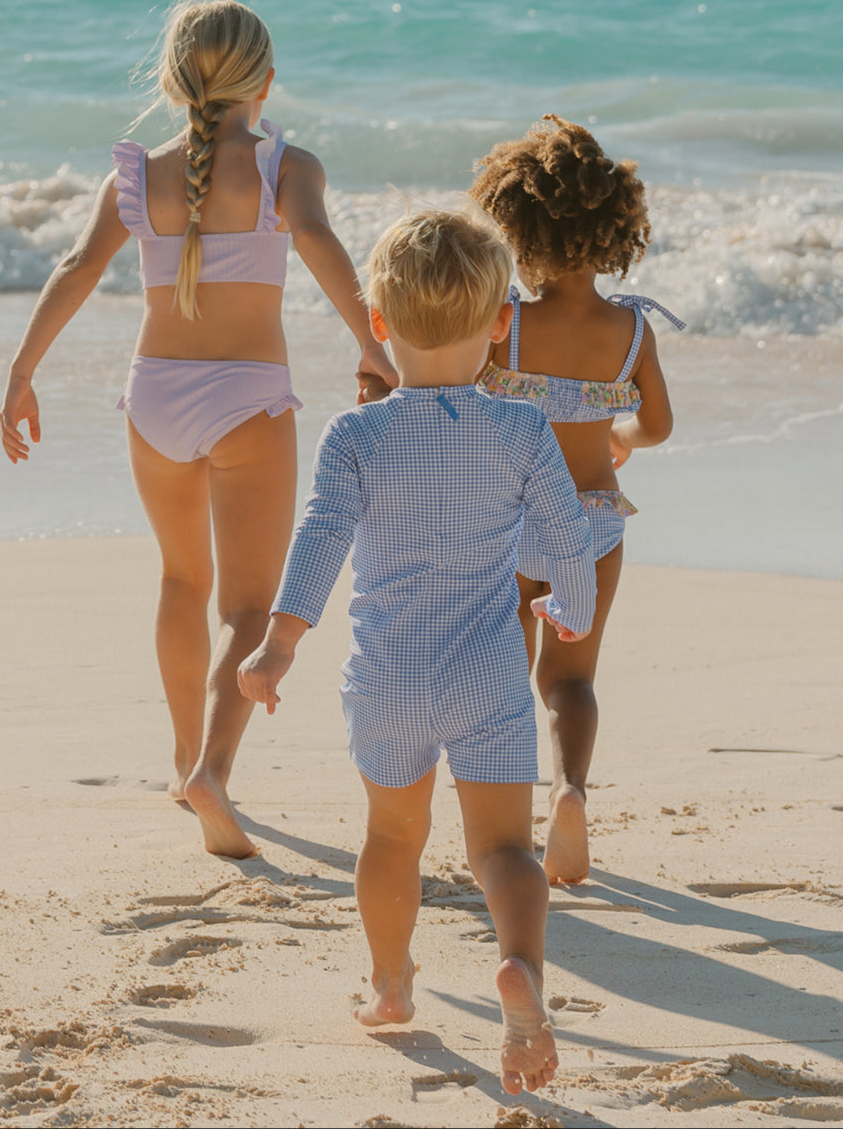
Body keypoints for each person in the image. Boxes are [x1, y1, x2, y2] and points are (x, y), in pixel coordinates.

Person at [0, 0, 397, 860]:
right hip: (248, 398)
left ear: (176, 80)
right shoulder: (290, 168)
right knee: (248, 606)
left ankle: (181, 758)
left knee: (181, 581)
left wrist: (22, 374)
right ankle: (213, 768)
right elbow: (324, 248)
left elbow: (74, 269)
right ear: (267, 79)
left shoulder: (137, 174)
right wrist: (375, 348)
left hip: (153, 400)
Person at [238, 210, 596, 1095]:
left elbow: (319, 539)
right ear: (499, 323)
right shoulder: (519, 430)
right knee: (505, 850)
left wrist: (278, 644)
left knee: (393, 837)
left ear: (382, 325)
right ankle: (523, 973)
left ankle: (393, 986)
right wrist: (569, 603)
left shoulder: (355, 436)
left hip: (389, 676)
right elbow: (566, 531)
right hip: (486, 670)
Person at [469, 114, 682, 884]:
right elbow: (655, 425)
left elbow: (464, 397)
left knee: (503, 671)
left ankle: (509, 824)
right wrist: (617, 430)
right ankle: (571, 789)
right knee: (571, 679)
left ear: (514, 227)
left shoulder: (509, 327)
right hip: (591, 521)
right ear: (615, 228)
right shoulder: (631, 332)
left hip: (509, 519)